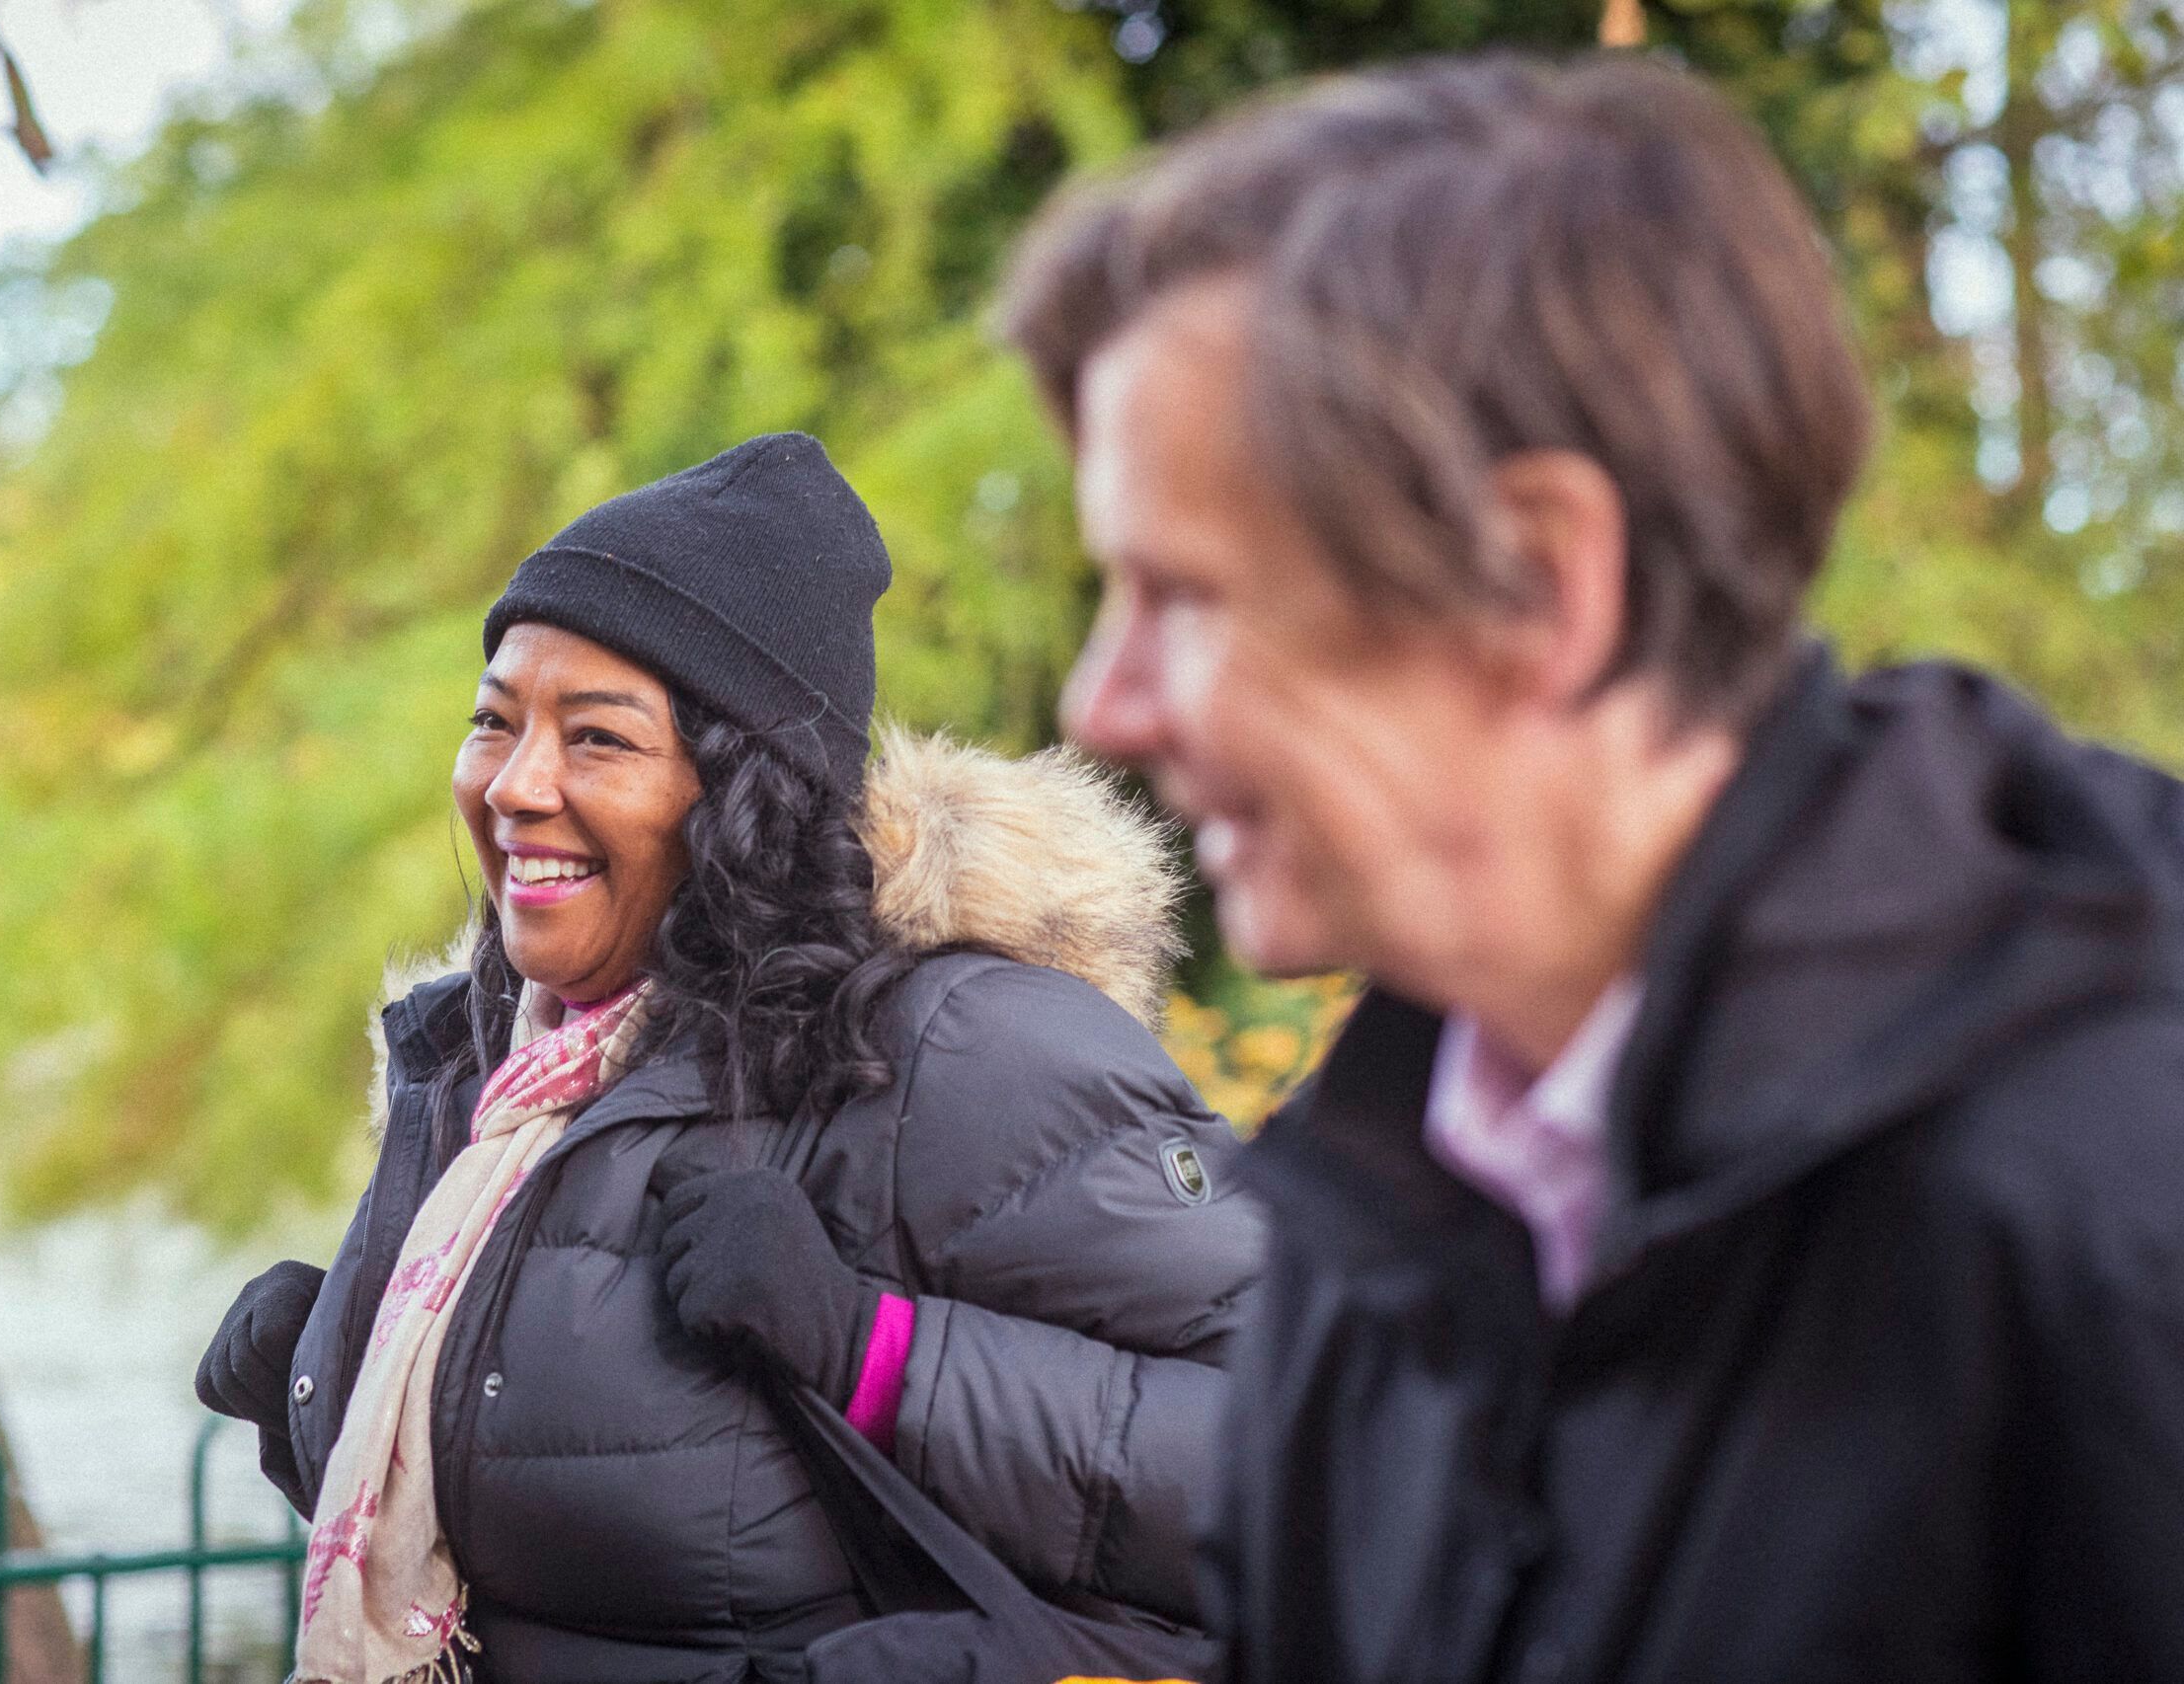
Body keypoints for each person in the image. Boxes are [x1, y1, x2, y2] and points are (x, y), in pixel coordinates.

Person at [997, 50, 2184, 1684]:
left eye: (1185, 596)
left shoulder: (2114, 1198)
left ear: (1545, 583)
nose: (1099, 703)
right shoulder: (1381, 1212)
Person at [194, 432, 1259, 1684]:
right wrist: (324, 1388)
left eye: (595, 737)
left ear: (742, 794)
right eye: (494, 721)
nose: (515, 783)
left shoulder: (958, 1051)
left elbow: (1296, 1458)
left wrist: (875, 1354)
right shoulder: (482, 1076)